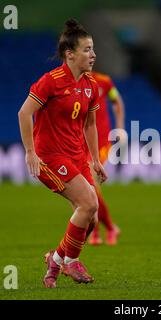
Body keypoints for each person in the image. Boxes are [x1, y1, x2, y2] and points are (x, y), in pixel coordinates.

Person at [17, 19, 107, 288]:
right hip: (51, 157)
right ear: (70, 54)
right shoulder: (51, 82)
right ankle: (70, 262)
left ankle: (55, 261)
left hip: (76, 155)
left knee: (92, 218)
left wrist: (93, 159)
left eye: (93, 49)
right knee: (88, 204)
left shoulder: (91, 85)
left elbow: (90, 124)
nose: (93, 55)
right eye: (87, 50)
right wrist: (30, 152)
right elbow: (24, 113)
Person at [87, 71, 125, 246]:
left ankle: (96, 231)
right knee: (86, 190)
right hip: (78, 143)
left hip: (101, 142)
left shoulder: (104, 81)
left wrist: (120, 127)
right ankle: (110, 227)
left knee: (91, 183)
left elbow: (117, 101)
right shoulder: (68, 84)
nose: (90, 57)